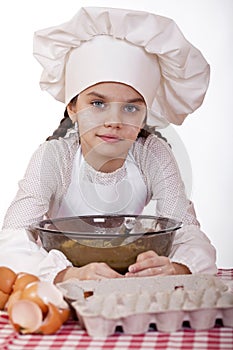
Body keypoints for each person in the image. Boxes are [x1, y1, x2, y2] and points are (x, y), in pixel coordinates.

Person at [0, 6, 217, 283]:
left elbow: (187, 230)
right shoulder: (54, 157)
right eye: (98, 103)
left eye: (130, 108)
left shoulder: (152, 153)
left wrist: (178, 267)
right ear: (72, 108)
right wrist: (66, 273)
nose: (114, 121)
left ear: (144, 114)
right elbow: (11, 238)